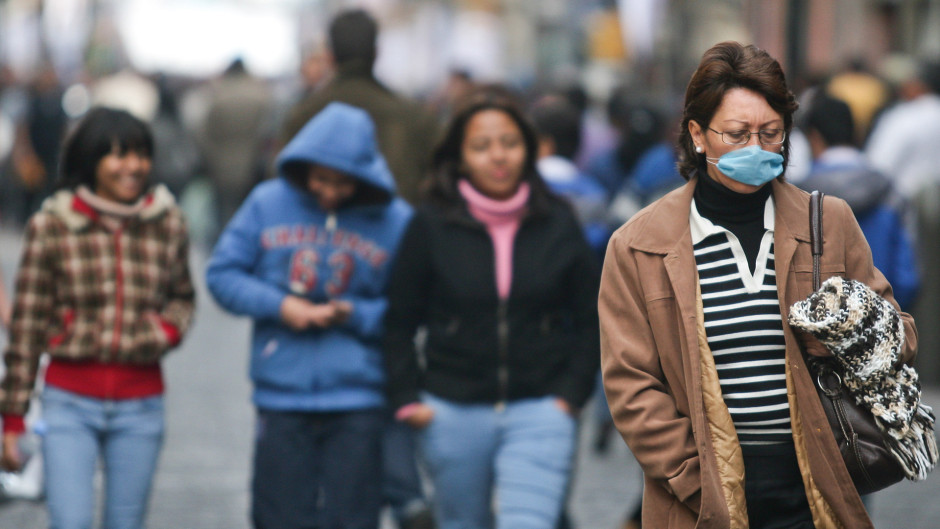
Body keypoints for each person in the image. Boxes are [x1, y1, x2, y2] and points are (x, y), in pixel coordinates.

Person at [598, 42, 918, 529]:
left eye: (771, 133)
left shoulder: (826, 224)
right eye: (737, 134)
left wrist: (849, 326)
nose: (756, 148)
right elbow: (631, 382)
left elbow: (902, 338)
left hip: (817, 486)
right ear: (697, 134)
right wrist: (695, 479)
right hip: (700, 499)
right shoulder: (640, 245)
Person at [383, 86, 600, 529]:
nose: (497, 156)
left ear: (528, 150)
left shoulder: (558, 219)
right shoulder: (431, 224)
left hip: (541, 408)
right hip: (452, 410)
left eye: (509, 143)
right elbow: (399, 319)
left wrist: (571, 395)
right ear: (460, 157)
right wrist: (408, 399)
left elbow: (592, 315)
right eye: (481, 146)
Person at [206, 102, 413, 529]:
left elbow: (411, 307)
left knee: (353, 518)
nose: (330, 192)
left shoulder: (395, 221)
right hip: (282, 395)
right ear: (304, 167)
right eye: (321, 179)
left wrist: (355, 314)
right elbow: (222, 274)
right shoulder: (266, 203)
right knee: (277, 516)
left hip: (359, 396)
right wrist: (281, 306)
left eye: (343, 183)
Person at [0, 106, 195, 529]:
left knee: (125, 524)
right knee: (69, 522)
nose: (134, 166)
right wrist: (12, 418)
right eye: (119, 155)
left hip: (141, 403)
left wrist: (162, 331)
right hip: (69, 402)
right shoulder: (53, 225)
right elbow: (27, 325)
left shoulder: (167, 222)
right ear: (91, 160)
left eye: (141, 155)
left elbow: (183, 298)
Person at [280, 8, 438, 205]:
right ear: (376, 53)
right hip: (398, 232)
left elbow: (282, 183)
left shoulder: (303, 113)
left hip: (317, 232)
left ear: (329, 56)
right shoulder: (416, 117)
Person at [799, 92, 920, 309]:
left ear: (814, 137)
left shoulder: (799, 195)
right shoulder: (889, 190)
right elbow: (907, 275)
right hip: (882, 317)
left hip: (818, 326)